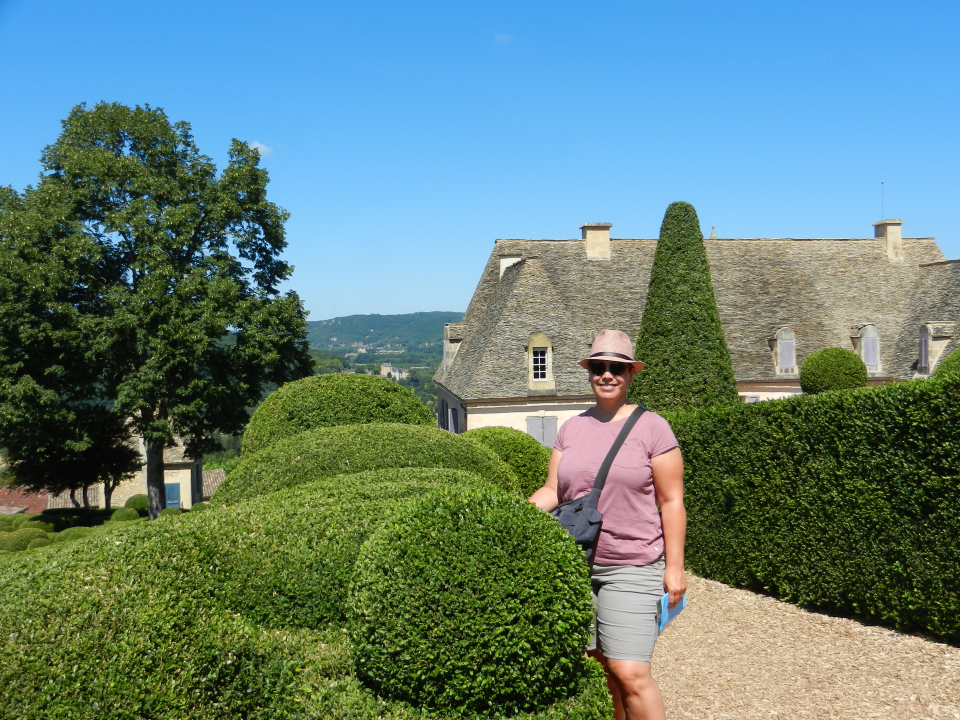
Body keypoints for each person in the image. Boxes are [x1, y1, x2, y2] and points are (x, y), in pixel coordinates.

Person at [529, 329, 686, 720]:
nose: (607, 375)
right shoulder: (571, 429)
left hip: (631, 563)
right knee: (601, 666)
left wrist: (674, 568)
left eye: (616, 367)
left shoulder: (653, 428)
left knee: (630, 671)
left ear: (631, 374)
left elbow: (672, 501)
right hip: (576, 563)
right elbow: (554, 490)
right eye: (599, 367)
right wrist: (514, 516)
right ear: (589, 372)